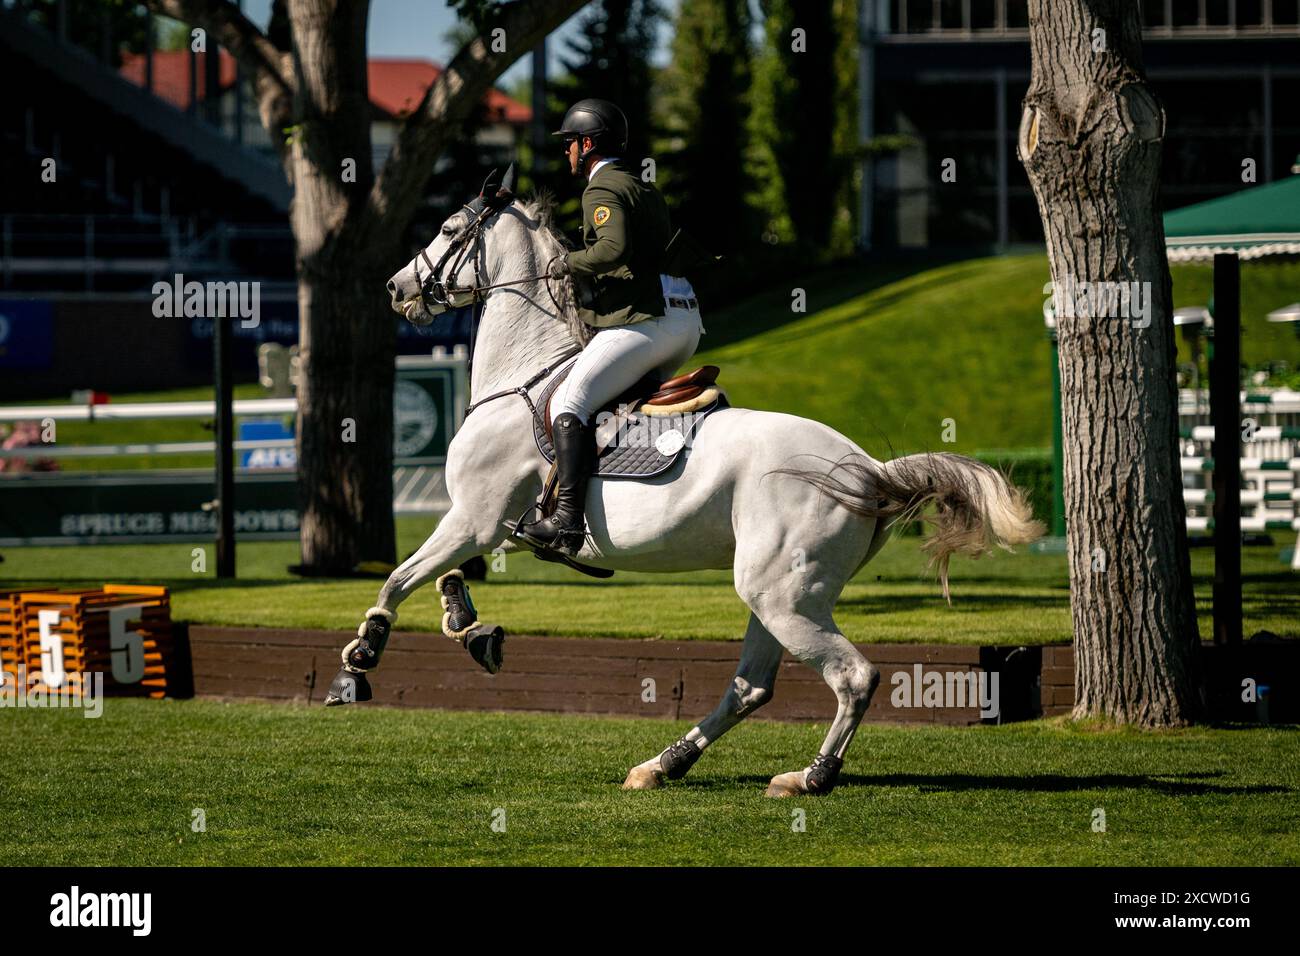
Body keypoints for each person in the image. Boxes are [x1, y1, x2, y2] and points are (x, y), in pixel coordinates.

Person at [513, 98, 704, 557]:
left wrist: (563, 261)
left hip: (647, 322)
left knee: (568, 401)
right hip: (684, 322)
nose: (566, 153)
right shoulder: (642, 186)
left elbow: (612, 250)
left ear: (586, 144)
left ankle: (566, 523)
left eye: (569, 144)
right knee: (612, 404)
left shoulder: (601, 190)